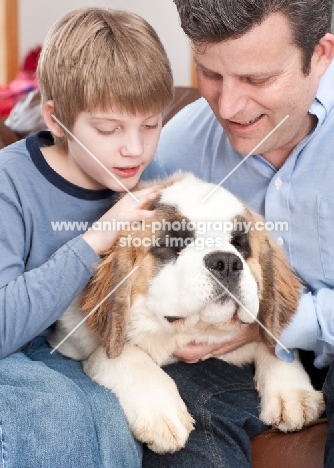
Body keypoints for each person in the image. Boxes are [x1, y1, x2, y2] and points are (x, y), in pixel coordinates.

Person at [142, 0, 334, 467]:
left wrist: (275, 321)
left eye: (257, 79)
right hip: (221, 347)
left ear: (322, 55)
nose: (228, 106)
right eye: (210, 73)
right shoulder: (175, 148)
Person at [0, 7, 173, 468]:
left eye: (151, 124)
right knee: (53, 413)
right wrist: (98, 237)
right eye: (108, 129)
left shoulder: (150, 179)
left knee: (115, 423)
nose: (134, 149)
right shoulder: (9, 183)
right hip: (15, 351)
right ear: (56, 120)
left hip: (77, 351)